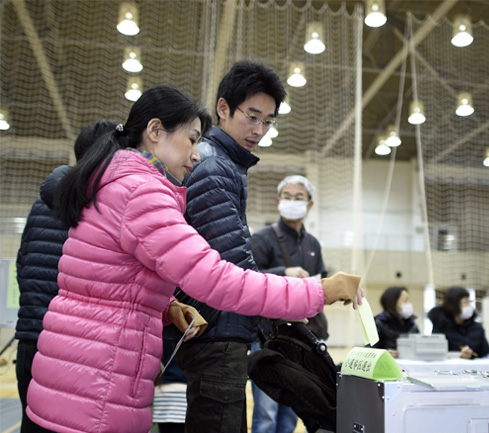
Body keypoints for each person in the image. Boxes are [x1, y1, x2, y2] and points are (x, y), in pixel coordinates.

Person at [24, 85, 363, 433]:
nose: (198, 155)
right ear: (155, 131)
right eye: (191, 139)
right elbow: (217, 278)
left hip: (75, 375)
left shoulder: (117, 181)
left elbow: (110, 276)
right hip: (94, 386)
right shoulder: (142, 191)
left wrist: (167, 305)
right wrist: (319, 290)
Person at [174, 61, 338, 433]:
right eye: (252, 116)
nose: (259, 130)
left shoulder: (227, 166)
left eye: (268, 121)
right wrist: (315, 293)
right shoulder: (215, 168)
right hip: (218, 330)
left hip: (228, 327)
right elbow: (234, 266)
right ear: (223, 108)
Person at [14, 119, 117, 433]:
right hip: (67, 350)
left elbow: (23, 266)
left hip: (31, 342)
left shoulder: (40, 203)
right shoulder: (95, 206)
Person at [249, 175, 328, 433]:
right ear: (278, 201)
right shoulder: (262, 239)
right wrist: (283, 272)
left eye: (299, 198)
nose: (292, 202)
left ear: (310, 204)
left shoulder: (313, 244)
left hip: (301, 339)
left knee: (294, 411)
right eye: (287, 197)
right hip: (267, 334)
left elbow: (321, 284)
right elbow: (246, 279)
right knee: (266, 411)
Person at [427, 286, 489, 359]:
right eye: (465, 302)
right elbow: (435, 354)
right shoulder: (441, 327)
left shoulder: (477, 328)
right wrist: (458, 355)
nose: (469, 306)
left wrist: (471, 355)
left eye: (469, 302)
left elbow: (486, 354)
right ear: (454, 305)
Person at [373, 286, 419, 358]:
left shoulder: (412, 323)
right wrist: (384, 354)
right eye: (405, 301)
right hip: (387, 365)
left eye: (408, 300)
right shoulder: (379, 323)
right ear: (393, 303)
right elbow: (369, 350)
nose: (409, 304)